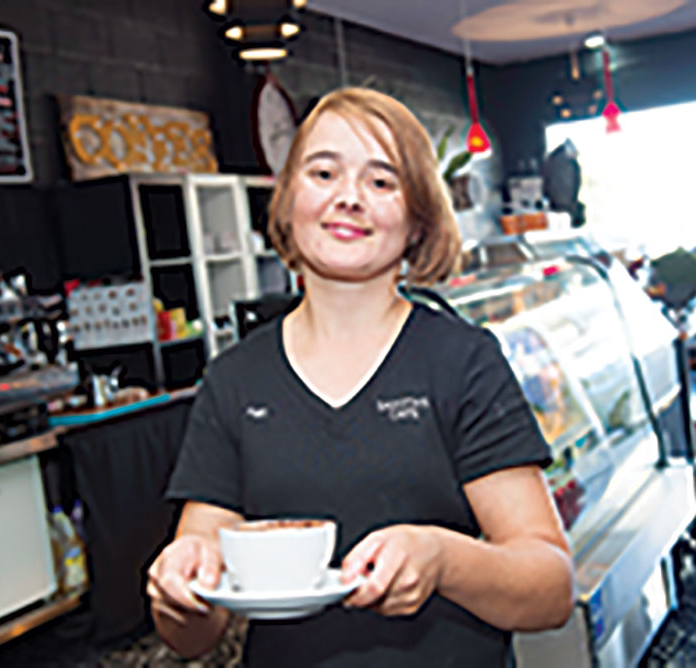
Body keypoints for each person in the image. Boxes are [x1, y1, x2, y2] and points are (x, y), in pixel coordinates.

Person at [146, 87, 574, 667]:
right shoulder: (234, 380)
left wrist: (442, 558)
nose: (348, 198)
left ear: (418, 220)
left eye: (381, 181)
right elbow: (194, 634)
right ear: (288, 197)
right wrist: (179, 592)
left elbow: (549, 589)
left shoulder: (462, 361)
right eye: (323, 172)